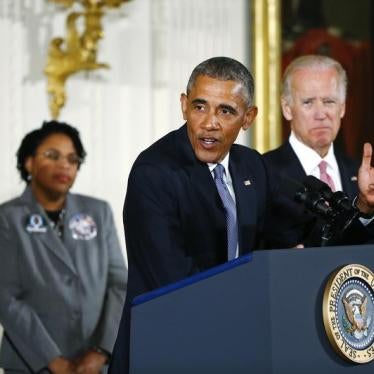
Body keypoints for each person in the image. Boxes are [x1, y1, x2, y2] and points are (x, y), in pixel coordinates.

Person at [109, 56, 374, 373]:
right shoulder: (154, 172)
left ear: (248, 117)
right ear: (183, 105)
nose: (210, 122)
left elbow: (302, 237)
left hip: (229, 348)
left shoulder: (251, 166)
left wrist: (362, 207)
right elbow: (172, 280)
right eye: (200, 106)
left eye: (226, 111)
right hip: (167, 349)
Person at [0, 121, 127, 374]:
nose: (64, 165)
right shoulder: (7, 218)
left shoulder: (98, 212)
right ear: (29, 163)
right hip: (33, 365)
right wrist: (53, 360)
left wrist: (101, 352)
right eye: (52, 155)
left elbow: (119, 284)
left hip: (94, 366)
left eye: (73, 159)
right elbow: (6, 298)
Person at [263, 54, 361, 248]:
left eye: (329, 102)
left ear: (342, 108)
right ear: (287, 108)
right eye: (308, 102)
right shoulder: (263, 172)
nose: (321, 114)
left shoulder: (359, 174)